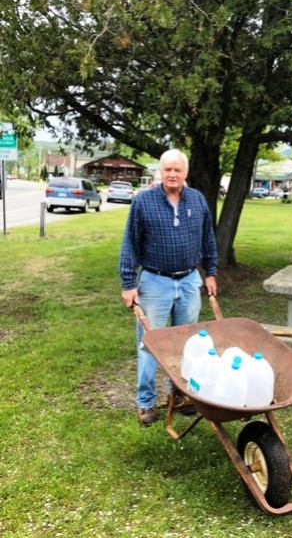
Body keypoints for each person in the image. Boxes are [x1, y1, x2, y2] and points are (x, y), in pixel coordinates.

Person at [119, 149, 218, 426]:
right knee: (150, 344)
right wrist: (128, 283)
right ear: (160, 172)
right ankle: (146, 402)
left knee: (187, 344)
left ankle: (181, 395)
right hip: (154, 282)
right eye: (167, 170)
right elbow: (130, 244)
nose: (172, 174)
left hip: (188, 281)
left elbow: (208, 239)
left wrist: (210, 272)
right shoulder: (143, 202)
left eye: (177, 170)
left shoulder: (198, 200)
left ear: (185, 173)